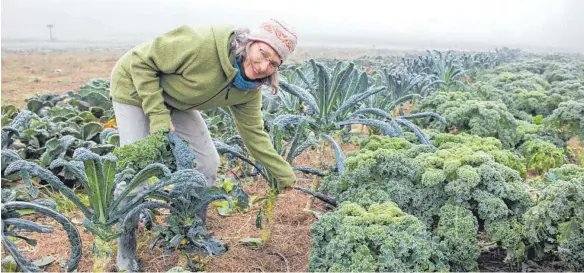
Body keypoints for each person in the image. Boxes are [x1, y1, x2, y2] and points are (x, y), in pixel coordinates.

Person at [109, 19, 298, 271]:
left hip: (175, 101)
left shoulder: (249, 89)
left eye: (273, 63)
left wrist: (284, 174)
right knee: (135, 171)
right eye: (262, 53)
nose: (264, 66)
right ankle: (126, 249)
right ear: (250, 43)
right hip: (133, 87)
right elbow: (142, 62)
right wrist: (157, 115)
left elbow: (254, 134)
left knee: (206, 162)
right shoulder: (203, 44)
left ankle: (185, 229)